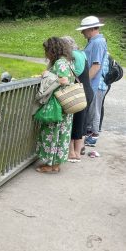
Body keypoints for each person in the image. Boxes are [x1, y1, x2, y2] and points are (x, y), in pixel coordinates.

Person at [35, 37, 75, 173]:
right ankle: (55, 165)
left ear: (53, 50)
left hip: (58, 105)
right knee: (61, 135)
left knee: (53, 133)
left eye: (47, 50)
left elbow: (64, 80)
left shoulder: (60, 63)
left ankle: (51, 165)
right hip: (65, 104)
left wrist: (47, 75)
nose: (45, 53)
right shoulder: (67, 61)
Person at [60, 36, 94, 162]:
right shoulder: (82, 54)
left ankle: (72, 153)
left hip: (77, 93)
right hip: (87, 91)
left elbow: (74, 73)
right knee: (81, 123)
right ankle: (77, 153)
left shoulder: (72, 55)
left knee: (72, 122)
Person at [76, 16, 108, 147]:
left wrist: (83, 82)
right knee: (91, 109)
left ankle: (93, 136)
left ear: (91, 29)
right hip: (93, 83)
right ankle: (89, 134)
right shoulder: (93, 41)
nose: (82, 32)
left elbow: (96, 66)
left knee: (94, 110)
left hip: (96, 84)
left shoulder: (97, 42)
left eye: (84, 30)